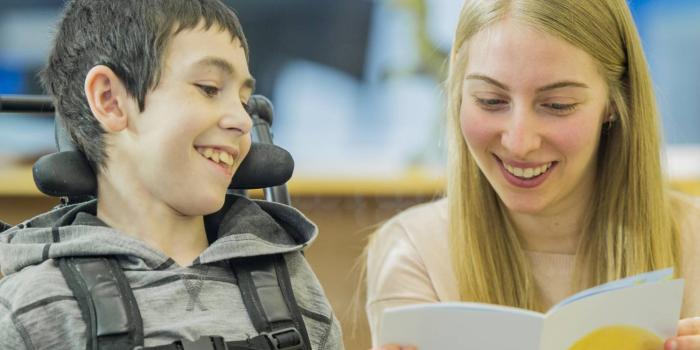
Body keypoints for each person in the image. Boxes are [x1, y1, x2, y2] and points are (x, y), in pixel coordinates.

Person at [0, 1, 343, 349]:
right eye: (209, 88)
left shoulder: (296, 292)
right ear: (111, 100)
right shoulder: (35, 312)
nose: (241, 120)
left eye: (243, 99)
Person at [366, 0, 700, 349]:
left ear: (614, 102)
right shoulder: (412, 251)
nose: (519, 142)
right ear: (459, 92)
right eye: (490, 100)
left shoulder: (693, 240)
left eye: (558, 105)